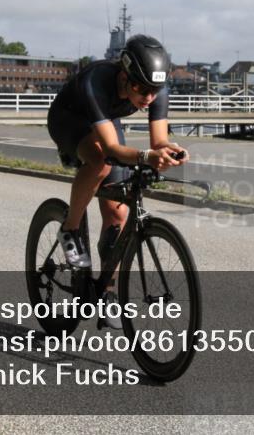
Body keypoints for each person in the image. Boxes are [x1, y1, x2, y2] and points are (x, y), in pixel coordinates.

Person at [47, 35, 188, 327]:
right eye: (140, 88)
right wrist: (147, 157)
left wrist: (169, 150)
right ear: (125, 75)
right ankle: (70, 229)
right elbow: (112, 151)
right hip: (70, 118)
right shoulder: (97, 80)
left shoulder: (152, 90)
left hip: (105, 119)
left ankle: (107, 292)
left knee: (117, 213)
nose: (148, 97)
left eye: (155, 90)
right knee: (99, 163)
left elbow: (158, 140)